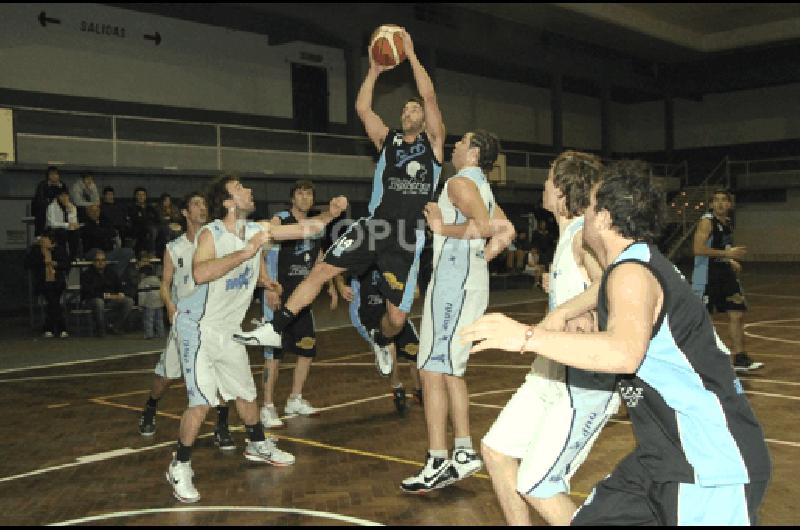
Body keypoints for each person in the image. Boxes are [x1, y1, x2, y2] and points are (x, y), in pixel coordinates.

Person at [462, 166, 771, 525]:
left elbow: (624, 353)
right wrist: (566, 311)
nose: (585, 214)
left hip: (707, 462)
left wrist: (526, 337)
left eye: (591, 207)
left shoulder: (631, 274)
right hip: (660, 458)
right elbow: (605, 292)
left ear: (605, 218)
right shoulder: (635, 263)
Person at [234, 30, 443, 380]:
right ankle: (278, 326)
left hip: (407, 238)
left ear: (424, 119)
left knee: (396, 319)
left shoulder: (433, 148)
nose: (409, 110)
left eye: (414, 108)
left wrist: (410, 52)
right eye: (405, 108)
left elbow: (429, 94)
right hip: (374, 226)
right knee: (322, 270)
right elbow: (362, 108)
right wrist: (375, 70)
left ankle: (379, 337)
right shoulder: (387, 140)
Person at [166, 174, 346, 503]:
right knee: (202, 401)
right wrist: (245, 253)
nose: (249, 191)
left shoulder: (257, 229)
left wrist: (331, 215)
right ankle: (180, 464)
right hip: (196, 327)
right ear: (228, 202)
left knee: (246, 393)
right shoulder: (212, 233)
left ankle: (256, 443)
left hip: (228, 329)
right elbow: (200, 273)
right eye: (241, 189)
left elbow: (307, 228)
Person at [480, 151, 618, 525]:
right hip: (550, 371)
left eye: (548, 178)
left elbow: (614, 283)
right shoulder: (566, 240)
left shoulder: (581, 237)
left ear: (561, 191)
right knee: (496, 451)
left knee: (538, 483)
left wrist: (575, 311)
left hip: (584, 382)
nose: (543, 183)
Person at [400, 130, 515, 494]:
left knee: (431, 368)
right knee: (446, 369)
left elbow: (483, 229)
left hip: (454, 286)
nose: (454, 146)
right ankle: (461, 452)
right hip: (464, 282)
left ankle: (439, 458)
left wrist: (439, 227)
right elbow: (506, 231)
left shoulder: (460, 183)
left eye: (461, 143)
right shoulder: (482, 186)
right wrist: (482, 257)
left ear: (475, 152)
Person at [137, 192, 234, 448]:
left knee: (220, 373)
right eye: (195, 204)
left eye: (204, 204)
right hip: (185, 321)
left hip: (212, 320)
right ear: (185, 213)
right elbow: (165, 283)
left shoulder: (217, 242)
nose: (202, 208)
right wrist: (169, 304)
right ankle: (150, 407)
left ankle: (222, 425)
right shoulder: (174, 248)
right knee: (166, 377)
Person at [258, 180, 335, 428]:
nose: (304, 197)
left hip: (303, 295)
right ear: (293, 199)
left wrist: (333, 285)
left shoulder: (316, 225)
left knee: (306, 349)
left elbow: (320, 256)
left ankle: (295, 398)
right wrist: (267, 284)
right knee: (274, 353)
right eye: (300, 193)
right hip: (279, 293)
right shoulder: (280, 219)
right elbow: (261, 249)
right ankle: (267, 406)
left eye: (309, 194)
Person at [691, 189, 763, 373]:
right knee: (702, 320)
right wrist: (726, 254)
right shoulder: (707, 222)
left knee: (737, 313)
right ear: (711, 204)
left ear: (730, 204)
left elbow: (721, 247)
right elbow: (697, 249)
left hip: (725, 275)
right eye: (716, 200)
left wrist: (730, 260)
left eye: (724, 200)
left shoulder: (728, 223)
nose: (720, 203)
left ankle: (739, 358)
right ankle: (697, 359)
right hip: (707, 277)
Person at [341, 266, 423, 415]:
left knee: (415, 352)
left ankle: (420, 391)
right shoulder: (363, 259)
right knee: (389, 347)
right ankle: (397, 388)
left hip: (395, 315)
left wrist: (404, 292)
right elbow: (337, 266)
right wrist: (340, 286)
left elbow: (416, 292)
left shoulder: (398, 263)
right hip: (371, 317)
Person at [25, 229, 70, 338]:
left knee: (52, 300)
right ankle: (61, 327)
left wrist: (56, 264)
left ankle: (48, 328)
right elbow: (28, 264)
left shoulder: (58, 249)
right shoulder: (36, 250)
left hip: (57, 281)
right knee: (53, 300)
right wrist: (43, 261)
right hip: (43, 281)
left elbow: (66, 263)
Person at [80, 249, 134, 337]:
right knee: (99, 302)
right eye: (98, 260)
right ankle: (101, 329)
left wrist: (121, 293)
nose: (100, 262)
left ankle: (116, 326)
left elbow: (119, 286)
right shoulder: (86, 274)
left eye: (103, 260)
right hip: (91, 300)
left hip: (110, 300)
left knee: (129, 301)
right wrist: (108, 296)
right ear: (93, 262)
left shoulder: (111, 272)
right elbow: (89, 292)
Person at [46, 188, 81, 261]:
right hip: (55, 230)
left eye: (66, 196)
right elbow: (52, 223)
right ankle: (61, 255)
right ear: (58, 197)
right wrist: (67, 225)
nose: (65, 198)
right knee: (62, 233)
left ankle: (73, 256)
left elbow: (73, 221)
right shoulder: (51, 207)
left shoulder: (72, 207)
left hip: (68, 229)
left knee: (76, 233)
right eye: (62, 196)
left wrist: (74, 224)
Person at [31, 166, 67, 236]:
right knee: (42, 210)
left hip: (59, 207)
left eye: (56, 174)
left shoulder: (62, 185)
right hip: (45, 207)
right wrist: (52, 202)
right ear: (48, 176)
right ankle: (40, 235)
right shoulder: (42, 185)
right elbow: (40, 199)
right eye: (51, 174)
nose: (54, 176)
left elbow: (66, 197)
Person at [128, 187, 160, 256]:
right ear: (135, 196)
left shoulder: (150, 207)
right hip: (137, 227)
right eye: (139, 195)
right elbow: (135, 219)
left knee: (164, 230)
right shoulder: (131, 207)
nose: (141, 197)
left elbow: (157, 218)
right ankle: (151, 252)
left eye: (143, 195)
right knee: (151, 230)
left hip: (152, 226)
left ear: (145, 196)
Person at [138, 263, 165, 340]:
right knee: (159, 319)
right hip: (159, 303)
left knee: (148, 319)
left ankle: (149, 334)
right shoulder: (158, 280)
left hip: (149, 304)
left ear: (143, 274)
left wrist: (141, 305)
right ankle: (161, 333)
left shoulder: (143, 282)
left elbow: (142, 295)